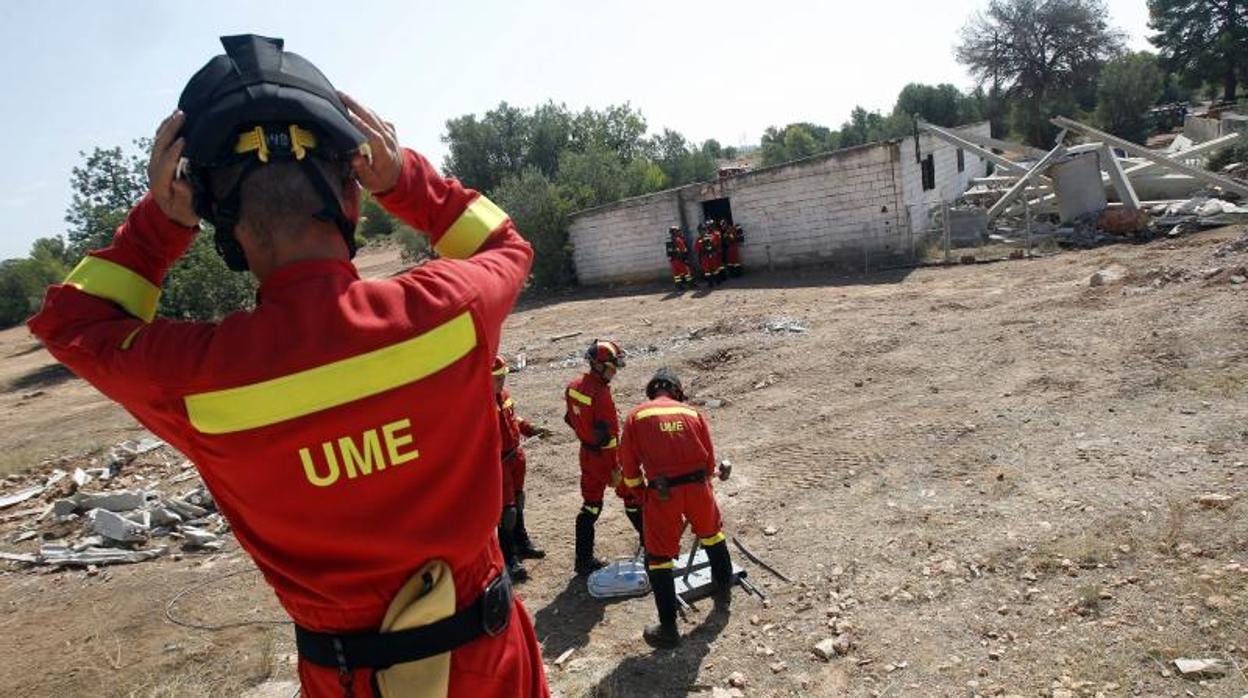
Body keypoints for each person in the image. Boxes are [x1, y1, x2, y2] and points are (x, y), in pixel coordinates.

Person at [27, 35, 546, 697]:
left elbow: (71, 323)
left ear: (220, 223)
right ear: (352, 200)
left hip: (347, 678)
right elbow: (505, 241)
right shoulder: (448, 310)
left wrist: (160, 225)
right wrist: (406, 180)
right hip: (491, 660)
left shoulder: (198, 376)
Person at [619, 368, 734, 649]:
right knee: (712, 535)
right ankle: (723, 588)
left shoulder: (636, 416)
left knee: (659, 558)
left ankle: (668, 630)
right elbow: (709, 464)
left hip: (662, 494)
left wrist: (640, 495)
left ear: (652, 391)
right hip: (697, 488)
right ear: (676, 390)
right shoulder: (693, 413)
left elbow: (630, 469)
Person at [563, 339, 643, 574]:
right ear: (598, 365)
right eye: (611, 367)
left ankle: (583, 560)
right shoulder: (601, 394)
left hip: (586, 454)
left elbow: (570, 419)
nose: (614, 372)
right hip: (607, 459)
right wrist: (616, 469)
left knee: (590, 506)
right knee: (632, 497)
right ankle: (652, 545)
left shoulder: (572, 386)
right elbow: (610, 437)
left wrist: (586, 434)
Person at [494, 356, 549, 582]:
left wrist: (530, 428)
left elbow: (513, 418)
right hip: (499, 462)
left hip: (515, 456)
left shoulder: (504, 396)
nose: (502, 380)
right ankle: (508, 558)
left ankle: (522, 543)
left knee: (518, 501)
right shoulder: (478, 403)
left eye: (503, 376)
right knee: (506, 513)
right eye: (497, 378)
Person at [665, 225, 693, 289]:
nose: (678, 232)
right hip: (679, 259)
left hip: (673, 260)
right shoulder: (678, 239)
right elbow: (683, 249)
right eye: (677, 231)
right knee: (686, 272)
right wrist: (685, 258)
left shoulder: (668, 240)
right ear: (674, 232)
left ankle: (679, 286)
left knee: (676, 274)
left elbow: (668, 252)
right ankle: (690, 284)